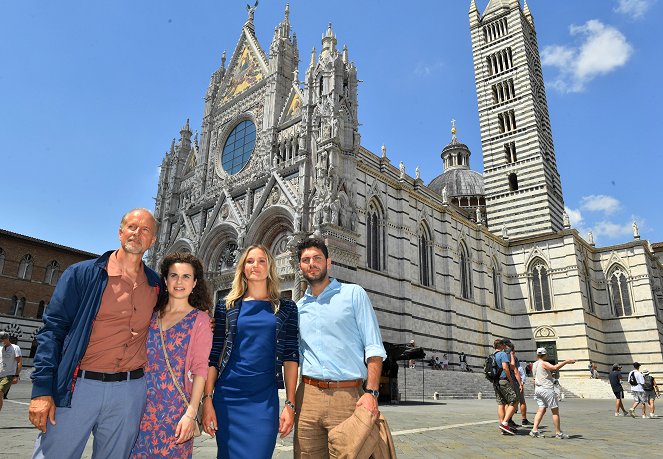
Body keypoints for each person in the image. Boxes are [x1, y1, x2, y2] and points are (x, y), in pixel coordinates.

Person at [28, 208, 161, 458]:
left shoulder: (155, 285)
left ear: (153, 241)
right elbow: (52, 331)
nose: (137, 234)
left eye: (145, 230)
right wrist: (42, 390)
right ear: (120, 232)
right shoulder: (82, 274)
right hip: (78, 387)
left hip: (129, 392)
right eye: (132, 227)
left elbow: (173, 315)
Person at [202, 244, 299, 459]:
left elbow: (291, 356)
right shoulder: (225, 306)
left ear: (270, 267)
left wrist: (290, 404)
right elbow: (214, 356)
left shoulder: (287, 308)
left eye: (262, 260)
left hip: (264, 398)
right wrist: (207, 399)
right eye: (250, 261)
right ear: (243, 268)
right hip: (228, 396)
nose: (256, 265)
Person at [294, 237, 387, 458]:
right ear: (300, 267)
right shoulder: (297, 308)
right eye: (306, 260)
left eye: (317, 258)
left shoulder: (353, 294)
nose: (312, 263)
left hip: (347, 397)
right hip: (307, 398)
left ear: (329, 262)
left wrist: (372, 393)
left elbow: (374, 347)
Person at [130, 252, 213, 458]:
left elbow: (200, 370)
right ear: (165, 281)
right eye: (174, 275)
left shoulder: (200, 320)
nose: (179, 282)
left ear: (195, 283)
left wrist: (191, 413)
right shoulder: (150, 315)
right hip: (138, 408)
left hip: (176, 412)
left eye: (186, 276)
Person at [528, 347, 576, 439]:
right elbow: (555, 367)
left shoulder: (534, 364)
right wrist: (566, 361)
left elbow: (535, 378)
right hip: (546, 389)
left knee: (541, 409)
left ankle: (534, 430)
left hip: (538, 389)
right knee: (555, 411)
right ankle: (558, 433)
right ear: (545, 354)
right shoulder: (544, 363)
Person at [505, 342, 530, 426]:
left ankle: (507, 421)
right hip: (514, 382)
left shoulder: (501, 355)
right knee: (519, 401)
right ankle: (519, 420)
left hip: (504, 381)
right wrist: (521, 383)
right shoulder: (513, 358)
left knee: (507, 403)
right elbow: (517, 371)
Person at [0, 332, 22, 412]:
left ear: (7, 339)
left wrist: (16, 376)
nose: (1, 341)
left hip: (8, 375)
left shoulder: (15, 348)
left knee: (0, 392)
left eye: (2, 339)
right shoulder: (0, 347)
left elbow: (19, 362)